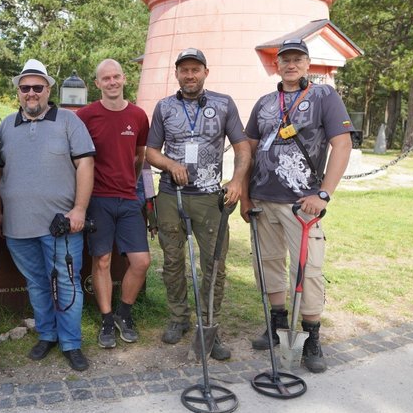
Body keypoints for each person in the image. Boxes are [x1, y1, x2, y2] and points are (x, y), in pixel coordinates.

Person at [240, 38, 353, 373]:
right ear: (277, 65)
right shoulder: (263, 103)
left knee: (309, 271)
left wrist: (323, 194)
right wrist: (245, 196)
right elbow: (248, 150)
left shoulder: (323, 96)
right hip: (262, 200)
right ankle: (276, 326)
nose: (290, 65)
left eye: (297, 59)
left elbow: (342, 144)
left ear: (307, 63)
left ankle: (311, 336)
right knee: (269, 265)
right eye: (284, 60)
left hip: (302, 206)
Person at [0, 59, 96, 371]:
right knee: (35, 283)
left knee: (68, 282)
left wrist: (79, 209)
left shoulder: (69, 121)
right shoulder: (6, 126)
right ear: (19, 93)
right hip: (18, 224)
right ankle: (47, 334)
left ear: (48, 89)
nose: (32, 93)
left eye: (38, 87)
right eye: (26, 88)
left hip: (61, 225)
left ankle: (71, 342)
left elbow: (86, 165)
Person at [146, 48, 251, 361]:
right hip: (170, 196)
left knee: (214, 266)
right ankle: (179, 318)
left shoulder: (224, 104)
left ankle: (209, 326)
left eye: (195, 70)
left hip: (209, 199)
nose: (189, 75)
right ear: (176, 74)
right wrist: (168, 164)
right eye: (184, 70)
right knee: (174, 261)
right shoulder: (164, 107)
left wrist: (236, 182)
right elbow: (150, 152)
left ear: (206, 72)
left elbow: (243, 148)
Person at [77, 59, 151, 349]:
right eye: (105, 78)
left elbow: (139, 156)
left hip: (129, 198)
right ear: (97, 84)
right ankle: (107, 319)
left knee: (141, 261)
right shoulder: (85, 116)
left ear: (124, 78)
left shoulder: (138, 116)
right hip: (98, 200)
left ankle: (124, 313)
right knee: (103, 260)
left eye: (116, 77)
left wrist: (134, 186)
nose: (111, 82)